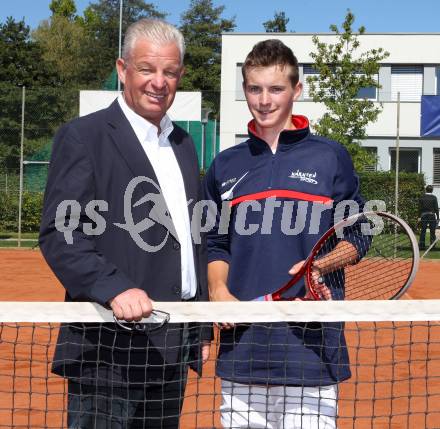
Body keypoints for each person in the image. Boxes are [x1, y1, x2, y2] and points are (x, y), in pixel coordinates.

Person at [39, 18, 210, 429]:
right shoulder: (84, 136)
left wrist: (200, 326)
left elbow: (191, 239)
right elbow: (62, 233)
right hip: (109, 351)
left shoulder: (184, 145)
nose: (158, 82)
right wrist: (113, 287)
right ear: (122, 70)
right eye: (147, 69)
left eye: (169, 72)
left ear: (180, 75)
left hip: (172, 343)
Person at [204, 39, 364, 428]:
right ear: (244, 91)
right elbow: (215, 242)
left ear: (297, 90)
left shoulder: (330, 156)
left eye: (276, 88)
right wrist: (219, 292)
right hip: (244, 351)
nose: (264, 100)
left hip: (311, 351)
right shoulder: (225, 165)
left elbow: (358, 235)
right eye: (254, 88)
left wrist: (319, 267)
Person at [419, 185, 439, 250]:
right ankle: (432, 246)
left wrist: (419, 216)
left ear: (426, 190)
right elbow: (436, 208)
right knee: (432, 231)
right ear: (432, 190)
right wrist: (438, 217)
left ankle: (421, 245)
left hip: (423, 215)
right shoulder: (434, 198)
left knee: (423, 231)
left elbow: (420, 208)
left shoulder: (422, 197)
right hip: (431, 215)